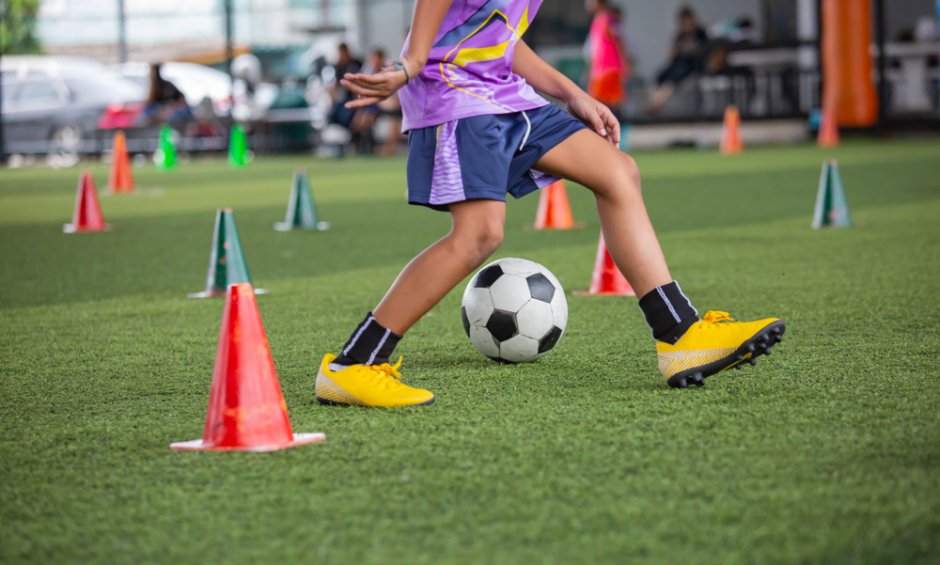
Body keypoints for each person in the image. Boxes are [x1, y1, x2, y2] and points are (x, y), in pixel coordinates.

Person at [315, 0, 785, 407]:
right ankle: (353, 365)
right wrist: (411, 62)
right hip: (456, 93)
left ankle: (680, 334)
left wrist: (571, 93)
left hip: (505, 93)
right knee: (479, 235)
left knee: (618, 173)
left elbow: (498, 32)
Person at [647, 6, 710, 114]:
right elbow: (670, 55)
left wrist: (692, 49)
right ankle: (654, 103)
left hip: (691, 66)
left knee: (672, 79)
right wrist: (674, 51)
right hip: (676, 64)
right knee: (659, 76)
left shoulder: (701, 34)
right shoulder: (679, 35)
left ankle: (657, 104)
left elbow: (706, 51)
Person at [585, 0, 630, 116]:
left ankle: (619, 130)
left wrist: (625, 64)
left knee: (612, 104)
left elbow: (620, 42)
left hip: (610, 69)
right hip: (599, 70)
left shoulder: (609, 20)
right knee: (599, 103)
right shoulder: (597, 20)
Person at [326, 43, 363, 129]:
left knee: (346, 117)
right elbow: (336, 85)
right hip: (342, 98)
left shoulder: (356, 63)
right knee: (331, 116)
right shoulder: (338, 67)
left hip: (354, 97)